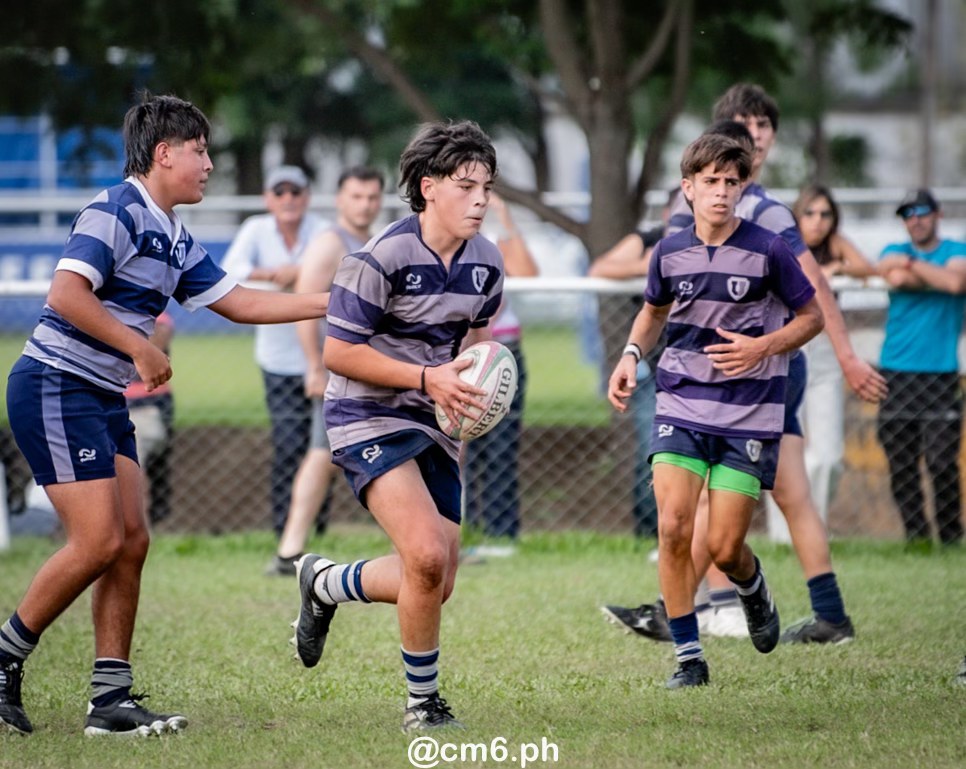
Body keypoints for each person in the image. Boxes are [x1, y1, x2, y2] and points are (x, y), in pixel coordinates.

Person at [0, 92, 330, 737]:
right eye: (200, 151)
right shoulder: (116, 209)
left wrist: (343, 301)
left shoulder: (174, 233)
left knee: (131, 541)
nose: (209, 163)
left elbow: (239, 303)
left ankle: (110, 700)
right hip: (55, 387)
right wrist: (138, 345)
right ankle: (5, 657)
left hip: (97, 395)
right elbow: (66, 294)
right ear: (164, 153)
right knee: (97, 541)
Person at [605, 84, 886, 646]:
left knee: (767, 499)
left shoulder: (769, 219)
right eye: (744, 124)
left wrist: (837, 354)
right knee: (704, 508)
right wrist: (633, 353)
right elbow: (656, 304)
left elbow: (814, 292)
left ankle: (734, 597)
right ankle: (705, 619)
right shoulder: (685, 223)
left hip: (763, 379)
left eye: (763, 126)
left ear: (765, 149)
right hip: (692, 386)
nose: (754, 136)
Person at [291, 119, 503, 732]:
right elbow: (339, 353)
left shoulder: (486, 264)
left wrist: (473, 390)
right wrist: (426, 378)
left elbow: (476, 340)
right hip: (365, 413)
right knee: (426, 555)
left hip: (433, 418)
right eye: (467, 186)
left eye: (487, 186)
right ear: (428, 186)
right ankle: (423, 705)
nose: (481, 199)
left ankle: (325, 582)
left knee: (437, 580)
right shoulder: (378, 259)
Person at [608, 132, 822, 688]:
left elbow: (812, 318)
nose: (722, 192)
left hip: (748, 411)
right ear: (688, 188)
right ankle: (689, 660)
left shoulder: (768, 249)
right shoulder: (668, 250)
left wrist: (761, 347)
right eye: (711, 182)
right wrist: (631, 355)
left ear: (743, 186)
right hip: (680, 401)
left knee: (726, 546)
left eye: (732, 182)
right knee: (675, 528)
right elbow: (653, 313)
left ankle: (751, 585)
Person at [266, 166, 386, 576]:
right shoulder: (329, 243)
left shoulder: (372, 241)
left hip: (367, 371)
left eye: (372, 197)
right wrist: (314, 367)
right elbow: (304, 308)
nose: (365, 204)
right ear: (339, 199)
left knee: (329, 455)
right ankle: (288, 550)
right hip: (336, 371)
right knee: (319, 456)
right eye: (356, 196)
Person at [222, 165, 326, 536]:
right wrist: (274, 274)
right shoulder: (255, 229)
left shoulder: (321, 231)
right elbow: (230, 271)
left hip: (323, 358)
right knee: (287, 446)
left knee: (324, 450)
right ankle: (284, 529)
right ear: (268, 198)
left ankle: (316, 529)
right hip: (278, 360)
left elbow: (339, 269)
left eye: (295, 192)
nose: (288, 199)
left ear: (306, 197)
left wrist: (300, 272)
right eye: (279, 192)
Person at [771, 185, 877, 538]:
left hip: (827, 352)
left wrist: (832, 268)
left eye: (825, 214)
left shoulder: (834, 245)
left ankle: (811, 525)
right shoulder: (781, 242)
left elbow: (866, 267)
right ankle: (784, 537)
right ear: (797, 215)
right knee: (784, 447)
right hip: (789, 347)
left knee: (829, 456)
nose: (818, 221)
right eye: (810, 213)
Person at [876, 189, 966, 545]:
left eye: (922, 211)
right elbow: (893, 276)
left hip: (941, 373)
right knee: (902, 464)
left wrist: (913, 268)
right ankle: (917, 538)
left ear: (937, 214)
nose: (915, 219)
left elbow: (956, 282)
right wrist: (930, 275)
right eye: (907, 214)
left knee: (942, 462)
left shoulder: (956, 251)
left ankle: (951, 536)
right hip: (895, 371)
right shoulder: (892, 251)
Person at [589, 189, 677, 538]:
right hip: (650, 364)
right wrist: (647, 264)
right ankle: (648, 533)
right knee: (651, 450)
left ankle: (681, 534)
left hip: (696, 367)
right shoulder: (648, 241)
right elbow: (600, 268)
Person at [462, 193, 538, 541]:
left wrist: (506, 220)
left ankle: (500, 532)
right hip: (457, 353)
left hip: (500, 351)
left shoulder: (493, 243)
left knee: (500, 447)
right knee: (462, 447)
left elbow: (528, 273)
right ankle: (469, 527)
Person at [123, 310, 175, 524]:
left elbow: (158, 341)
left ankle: (139, 528)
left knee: (136, 465)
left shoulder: (147, 306)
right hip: (106, 400)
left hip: (146, 403)